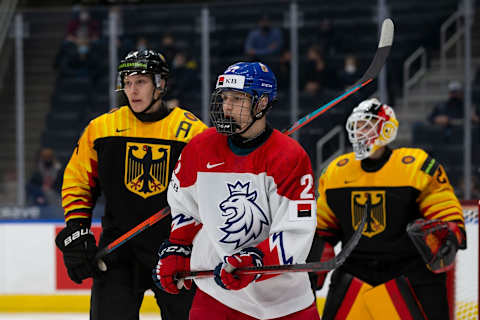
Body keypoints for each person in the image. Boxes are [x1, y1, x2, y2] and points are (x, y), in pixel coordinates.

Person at [153, 62, 320, 320]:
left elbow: (295, 228)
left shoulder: (290, 157)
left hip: (284, 302)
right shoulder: (200, 148)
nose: (226, 107)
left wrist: (255, 261)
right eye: (224, 98)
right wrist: (179, 247)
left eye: (237, 99)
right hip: (217, 295)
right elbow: (185, 207)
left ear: (261, 103)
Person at [55, 49, 207, 320]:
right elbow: (78, 180)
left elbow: (209, 189)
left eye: (141, 82)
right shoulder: (102, 128)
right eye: (127, 83)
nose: (132, 90)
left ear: (160, 84)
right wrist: (77, 229)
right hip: (118, 251)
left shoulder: (191, 132)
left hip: (176, 250)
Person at [313, 98, 466, 319]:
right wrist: (314, 256)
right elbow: (323, 227)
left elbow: (444, 208)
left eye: (367, 125)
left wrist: (449, 233)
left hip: (406, 272)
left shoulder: (415, 165)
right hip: (355, 273)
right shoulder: (336, 172)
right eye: (357, 126)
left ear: (386, 129)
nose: (360, 132)